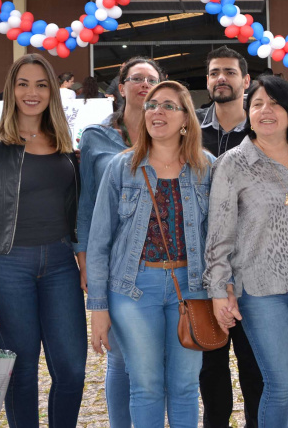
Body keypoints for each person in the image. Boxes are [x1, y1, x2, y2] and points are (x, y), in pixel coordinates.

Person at [0, 53, 86, 427]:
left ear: (52, 91)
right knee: (21, 370)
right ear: (11, 89)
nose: (32, 92)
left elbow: (75, 211)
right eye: (23, 83)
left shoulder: (64, 142)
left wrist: (82, 259)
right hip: (6, 266)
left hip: (60, 264)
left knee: (72, 369)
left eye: (41, 84)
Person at [87, 80, 215, 428]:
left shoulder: (207, 167)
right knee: (145, 386)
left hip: (191, 288)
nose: (158, 111)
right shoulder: (121, 167)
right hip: (132, 288)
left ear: (187, 118)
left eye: (169, 106)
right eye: (152, 105)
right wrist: (98, 309)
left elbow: (219, 240)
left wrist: (224, 290)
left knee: (186, 387)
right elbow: (99, 241)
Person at [206, 75, 288, 427]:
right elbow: (218, 235)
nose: (265, 110)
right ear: (249, 113)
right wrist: (219, 291)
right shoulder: (232, 164)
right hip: (261, 291)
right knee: (280, 384)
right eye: (257, 104)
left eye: (274, 103)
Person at [77, 56, 164, 428]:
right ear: (122, 87)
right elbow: (85, 202)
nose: (144, 84)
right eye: (136, 78)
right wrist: (85, 262)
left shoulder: (168, 135)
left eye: (151, 80)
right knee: (120, 358)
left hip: (160, 260)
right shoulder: (96, 137)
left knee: (152, 362)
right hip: (113, 261)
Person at [195, 46, 264, 428]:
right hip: (206, 270)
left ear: (246, 80)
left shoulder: (262, 131)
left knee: (255, 370)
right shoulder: (190, 130)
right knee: (211, 369)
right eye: (214, 73)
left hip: (253, 270)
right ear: (207, 81)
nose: (221, 78)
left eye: (230, 72)